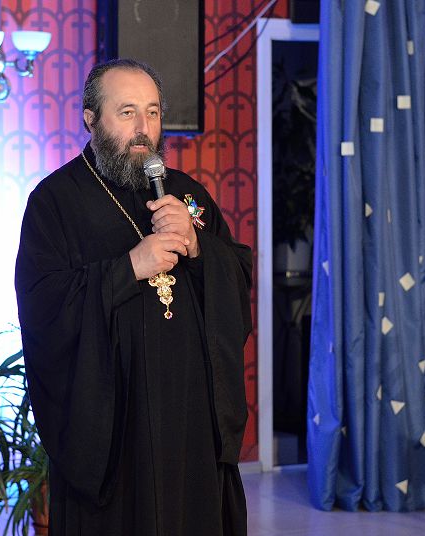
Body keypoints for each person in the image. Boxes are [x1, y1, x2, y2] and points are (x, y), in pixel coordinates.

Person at [14, 58, 252, 536]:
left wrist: (199, 247)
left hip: (189, 414)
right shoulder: (54, 201)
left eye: (153, 112)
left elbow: (238, 279)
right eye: (127, 113)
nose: (144, 128)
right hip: (114, 426)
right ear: (91, 119)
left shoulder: (187, 195)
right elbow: (43, 307)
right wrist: (129, 268)